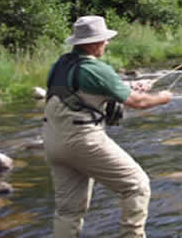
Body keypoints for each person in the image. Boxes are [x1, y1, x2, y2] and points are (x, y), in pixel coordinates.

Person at [42, 15, 172, 238]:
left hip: (53, 141)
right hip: (82, 140)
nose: (107, 43)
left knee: (68, 211)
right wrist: (164, 97)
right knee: (137, 185)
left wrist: (132, 85)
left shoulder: (61, 64)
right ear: (93, 43)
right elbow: (138, 102)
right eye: (104, 40)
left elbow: (88, 89)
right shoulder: (95, 68)